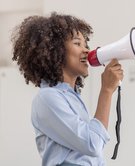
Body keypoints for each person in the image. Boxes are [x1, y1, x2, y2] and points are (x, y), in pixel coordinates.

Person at [11, 12, 124, 166]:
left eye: (86, 45)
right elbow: (92, 144)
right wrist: (106, 90)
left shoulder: (70, 96)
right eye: (77, 43)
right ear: (56, 50)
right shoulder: (47, 97)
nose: (86, 51)